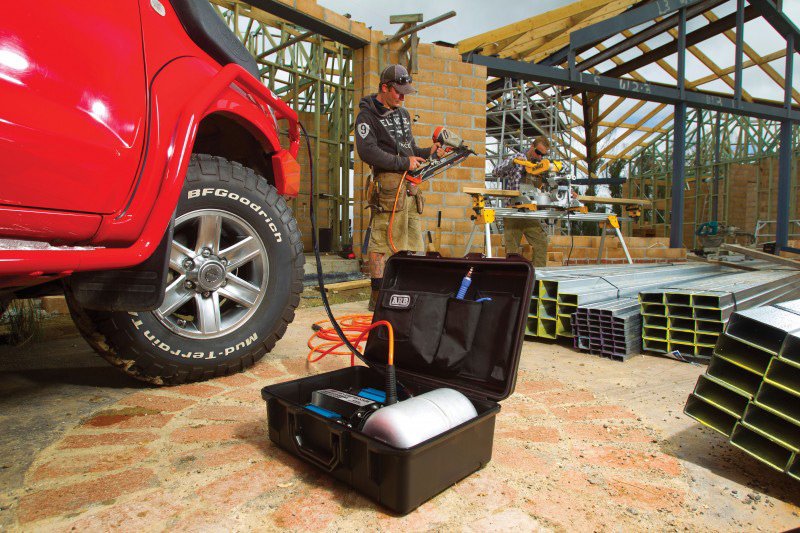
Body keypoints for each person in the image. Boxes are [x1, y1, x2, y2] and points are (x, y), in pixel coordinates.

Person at [355, 64, 444, 310]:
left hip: (410, 189)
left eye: (405, 93)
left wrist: (429, 152)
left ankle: (403, 293)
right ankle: (377, 298)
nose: (402, 98)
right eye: (398, 92)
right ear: (385, 87)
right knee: (382, 242)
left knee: (412, 242)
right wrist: (404, 162)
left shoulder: (403, 114)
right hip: (388, 188)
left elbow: (410, 149)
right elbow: (367, 151)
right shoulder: (367, 116)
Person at [492, 136, 552, 267]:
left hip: (530, 213)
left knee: (541, 243)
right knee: (512, 250)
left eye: (543, 155)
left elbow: (551, 184)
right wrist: (513, 162)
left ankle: (537, 276)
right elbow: (495, 172)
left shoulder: (541, 165)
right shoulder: (518, 158)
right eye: (538, 153)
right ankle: (514, 277)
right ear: (532, 147)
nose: (540, 157)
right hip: (513, 212)